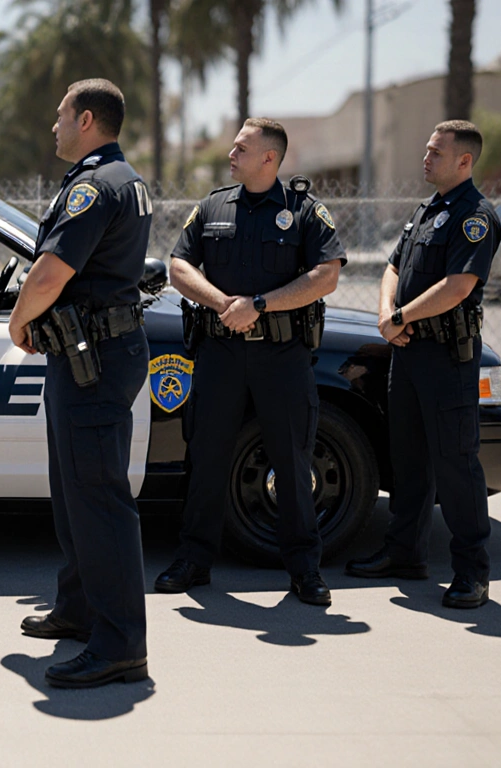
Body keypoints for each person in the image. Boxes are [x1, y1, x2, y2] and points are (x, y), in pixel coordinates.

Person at [156, 118, 346, 606]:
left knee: (292, 460)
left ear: (269, 158)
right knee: (207, 458)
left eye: (241, 148)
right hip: (219, 352)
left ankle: (304, 569)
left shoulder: (303, 210)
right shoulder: (213, 205)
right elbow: (178, 266)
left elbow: (326, 276)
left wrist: (258, 304)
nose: (230, 154)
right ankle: (194, 560)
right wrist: (224, 304)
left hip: (282, 356)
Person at [8, 78, 154, 688]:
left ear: (87, 119)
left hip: (94, 356)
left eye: (61, 116)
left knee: (98, 499)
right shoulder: (122, 179)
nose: (54, 127)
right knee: (74, 492)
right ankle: (79, 610)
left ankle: (120, 645)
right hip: (92, 351)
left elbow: (49, 274)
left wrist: (18, 321)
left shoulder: (94, 186)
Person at [345, 120, 501, 609]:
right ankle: (404, 554)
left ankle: (472, 572)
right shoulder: (427, 211)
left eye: (436, 152)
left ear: (464, 161)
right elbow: (393, 266)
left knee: (456, 465)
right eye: (427, 149)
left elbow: (459, 286)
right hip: (409, 354)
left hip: (446, 359)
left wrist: (399, 316)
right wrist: (386, 316)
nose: (426, 158)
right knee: (407, 459)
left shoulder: (474, 215)